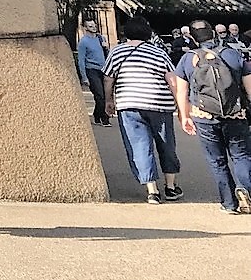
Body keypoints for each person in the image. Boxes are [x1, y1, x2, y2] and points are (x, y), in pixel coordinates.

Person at [174, 19, 251, 215]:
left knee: (217, 161)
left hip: (204, 116)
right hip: (235, 114)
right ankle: (245, 189)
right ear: (214, 33)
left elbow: (181, 91)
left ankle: (229, 203)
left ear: (191, 37)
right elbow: (249, 87)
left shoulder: (187, 59)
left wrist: (184, 116)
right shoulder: (233, 54)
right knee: (241, 156)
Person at [105, 17, 185, 203]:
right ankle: (171, 187)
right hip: (159, 103)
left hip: (129, 104)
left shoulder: (116, 52)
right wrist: (180, 106)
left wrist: (109, 100)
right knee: (166, 144)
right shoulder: (159, 52)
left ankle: (152, 191)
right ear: (147, 33)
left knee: (139, 146)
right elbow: (172, 80)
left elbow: (108, 78)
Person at [77, 20, 111, 125]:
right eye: (90, 26)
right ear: (85, 28)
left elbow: (108, 55)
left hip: (103, 69)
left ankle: (97, 115)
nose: (93, 27)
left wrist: (106, 48)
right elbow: (81, 60)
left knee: (106, 94)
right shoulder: (83, 42)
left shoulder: (101, 38)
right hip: (91, 70)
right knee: (99, 95)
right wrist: (84, 77)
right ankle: (104, 119)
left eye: (94, 25)